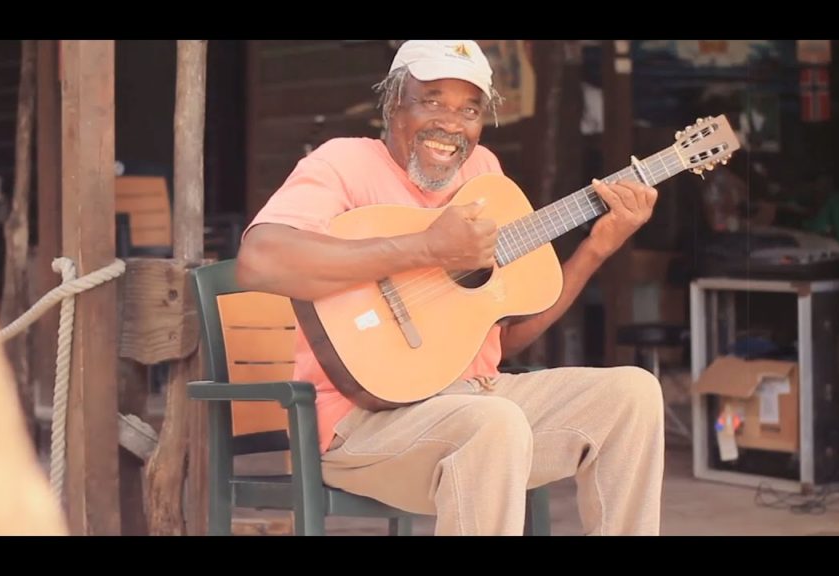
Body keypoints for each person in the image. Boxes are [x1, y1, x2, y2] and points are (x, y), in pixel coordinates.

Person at [236, 40, 665, 536]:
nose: (451, 123)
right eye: (433, 100)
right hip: (364, 421)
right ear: (395, 103)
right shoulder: (343, 164)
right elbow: (258, 261)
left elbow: (504, 333)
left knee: (633, 394)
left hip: (478, 397)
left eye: (469, 109)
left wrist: (597, 248)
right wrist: (425, 248)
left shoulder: (484, 174)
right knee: (493, 423)